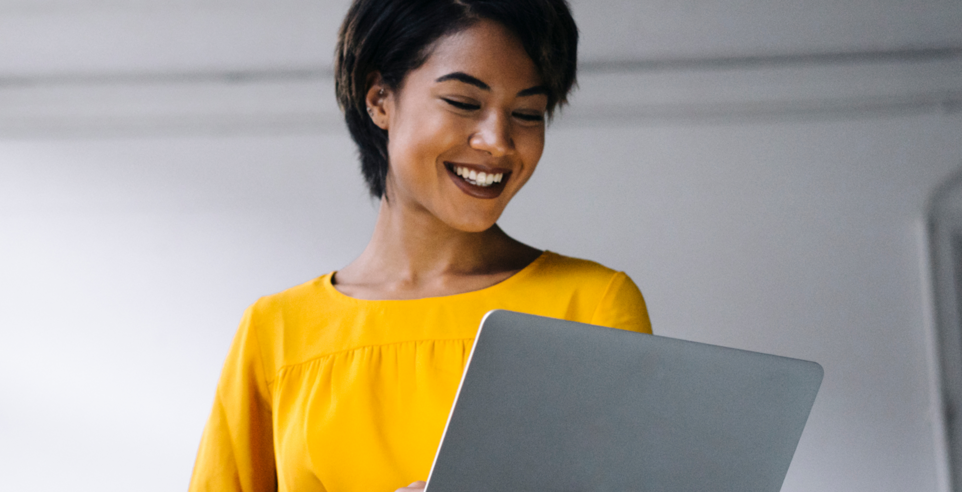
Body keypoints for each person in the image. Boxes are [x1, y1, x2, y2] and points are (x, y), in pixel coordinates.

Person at [187, 0, 653, 490]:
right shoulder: (276, 333)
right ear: (380, 99)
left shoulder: (592, 307)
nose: (498, 140)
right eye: (463, 103)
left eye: (527, 112)